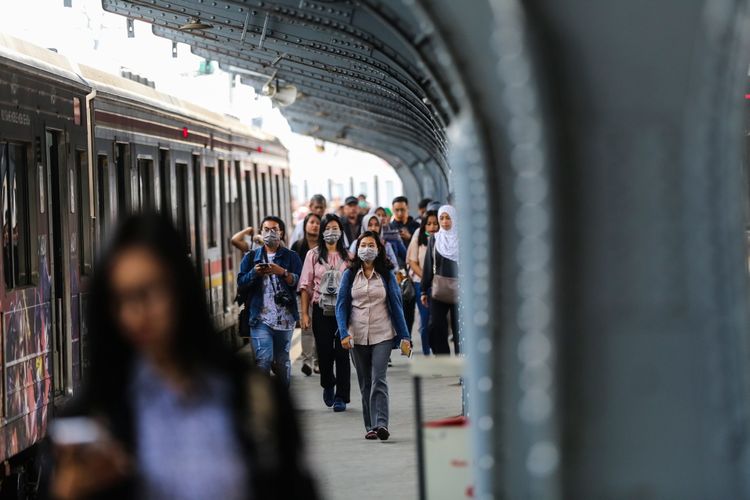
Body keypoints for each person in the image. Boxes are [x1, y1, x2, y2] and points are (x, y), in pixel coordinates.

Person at [48, 214, 317, 500]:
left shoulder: (252, 398)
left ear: (182, 291)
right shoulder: (90, 417)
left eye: (153, 291)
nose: (138, 312)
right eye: (122, 298)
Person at [336, 231, 411, 440]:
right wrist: (343, 332)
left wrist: (405, 336)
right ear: (357, 249)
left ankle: (381, 424)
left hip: (383, 333)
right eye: (363, 244)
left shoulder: (386, 274)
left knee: (379, 378)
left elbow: (396, 306)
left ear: (378, 249)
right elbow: (341, 306)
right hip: (357, 335)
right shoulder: (349, 274)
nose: (367, 248)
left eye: (371, 244)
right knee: (365, 382)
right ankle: (369, 425)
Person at [237, 216, 302, 386]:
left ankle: (282, 402)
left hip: (285, 318)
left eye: (274, 229)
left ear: (281, 233)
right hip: (259, 318)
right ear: (261, 232)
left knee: (282, 362)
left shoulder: (291, 257)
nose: (270, 233)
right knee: (263, 360)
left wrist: (283, 272)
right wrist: (254, 273)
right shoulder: (251, 257)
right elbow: (241, 284)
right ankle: (265, 403)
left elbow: (299, 283)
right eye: (266, 229)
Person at [298, 214, 351, 411]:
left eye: (335, 227)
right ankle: (328, 384)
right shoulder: (313, 255)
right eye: (327, 228)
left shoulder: (350, 257)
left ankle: (342, 396)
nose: (331, 232)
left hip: (344, 313)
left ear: (341, 231)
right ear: (322, 231)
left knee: (342, 353)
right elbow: (305, 285)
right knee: (325, 352)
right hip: (321, 311)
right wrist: (304, 314)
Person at [421, 206, 460, 355]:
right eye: (442, 218)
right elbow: (429, 264)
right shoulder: (435, 239)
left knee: (459, 329)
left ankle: (461, 362)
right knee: (436, 326)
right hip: (439, 289)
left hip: (459, 290)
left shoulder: (461, 239)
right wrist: (424, 290)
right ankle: (443, 358)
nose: (444, 221)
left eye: (448, 217)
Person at [291, 212, 322, 376]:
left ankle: (318, 362)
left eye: (318, 223)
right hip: (302, 293)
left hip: (321, 294)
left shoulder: (324, 247)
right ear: (305, 225)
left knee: (320, 328)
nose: (315, 225)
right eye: (312, 222)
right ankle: (307, 362)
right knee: (306, 326)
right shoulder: (298, 246)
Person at [407, 210, 439, 355]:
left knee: (437, 321)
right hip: (421, 284)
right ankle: (427, 352)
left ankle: (437, 349)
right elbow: (413, 262)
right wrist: (427, 279)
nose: (432, 227)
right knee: (425, 319)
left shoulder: (444, 240)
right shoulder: (418, 239)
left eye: (435, 224)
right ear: (424, 226)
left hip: (441, 285)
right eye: (429, 224)